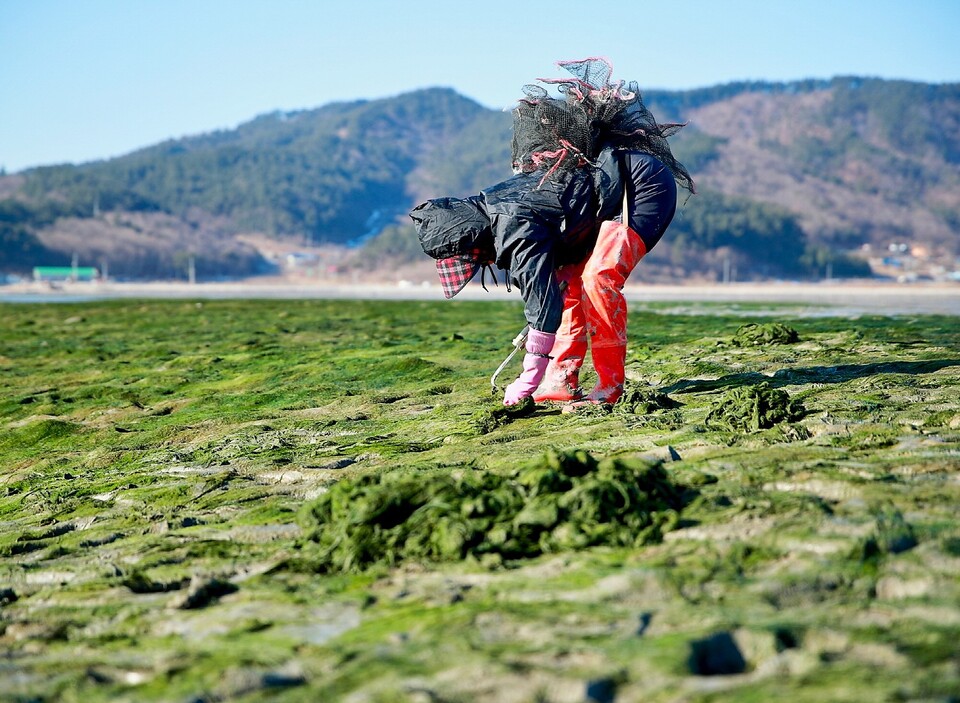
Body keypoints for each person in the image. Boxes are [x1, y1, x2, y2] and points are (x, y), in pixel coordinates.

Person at [410, 58, 694, 407]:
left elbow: (542, 308)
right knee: (567, 281)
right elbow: (547, 290)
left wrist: (527, 380)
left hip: (639, 186)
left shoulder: (514, 225)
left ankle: (609, 387)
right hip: (595, 203)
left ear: (470, 242)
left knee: (598, 278)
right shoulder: (493, 214)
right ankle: (561, 379)